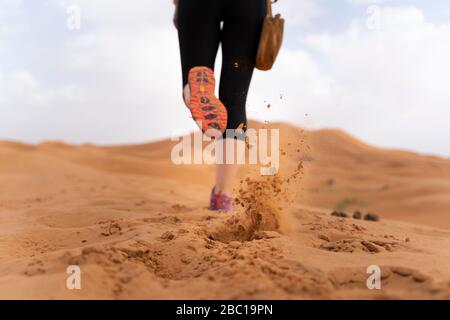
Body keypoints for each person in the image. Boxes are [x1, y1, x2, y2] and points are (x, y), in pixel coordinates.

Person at [173, 0, 267, 211]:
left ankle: (195, 87)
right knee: (234, 101)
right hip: (249, 7)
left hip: (199, 6)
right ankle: (222, 196)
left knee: (197, 71)